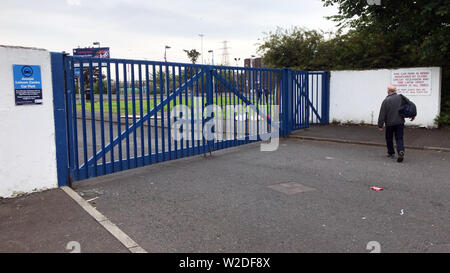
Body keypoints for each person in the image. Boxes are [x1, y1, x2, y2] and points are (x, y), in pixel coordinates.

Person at [377, 85, 415, 162]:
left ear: (388, 91)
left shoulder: (386, 101)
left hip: (390, 123)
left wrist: (380, 125)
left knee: (389, 138)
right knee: (399, 138)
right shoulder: (401, 97)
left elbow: (382, 114)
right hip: (400, 122)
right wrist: (412, 115)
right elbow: (410, 104)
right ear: (395, 91)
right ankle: (401, 151)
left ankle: (391, 153)